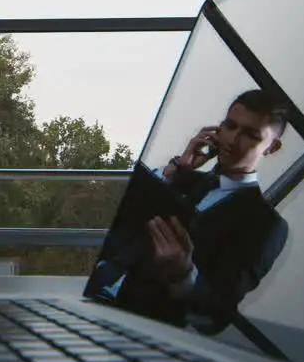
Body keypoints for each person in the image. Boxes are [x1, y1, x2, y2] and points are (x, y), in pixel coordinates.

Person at [90, 89, 290, 331]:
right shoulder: (180, 178)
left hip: (140, 329)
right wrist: (173, 170)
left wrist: (184, 274)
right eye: (230, 126)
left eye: (250, 135)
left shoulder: (266, 225)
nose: (232, 140)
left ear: (272, 148)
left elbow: (217, 312)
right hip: (89, 295)